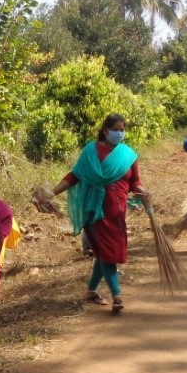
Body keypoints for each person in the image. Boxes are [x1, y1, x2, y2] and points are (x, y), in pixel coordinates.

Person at [41, 114, 150, 315]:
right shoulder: (91, 152)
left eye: (122, 129)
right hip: (94, 211)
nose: (120, 133)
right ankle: (117, 295)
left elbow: (135, 181)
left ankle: (91, 290)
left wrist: (142, 191)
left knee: (104, 253)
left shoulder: (128, 155)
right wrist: (52, 192)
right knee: (108, 254)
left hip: (117, 213)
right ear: (106, 130)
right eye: (116, 129)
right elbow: (75, 176)